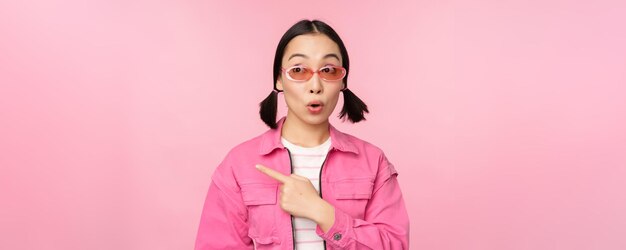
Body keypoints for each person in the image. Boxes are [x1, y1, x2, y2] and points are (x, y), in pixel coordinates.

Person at [194, 19, 409, 250]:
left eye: (328, 70)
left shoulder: (373, 161)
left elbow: (395, 245)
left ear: (343, 80)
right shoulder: (239, 164)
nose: (315, 85)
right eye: (298, 70)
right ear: (279, 78)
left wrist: (321, 212)